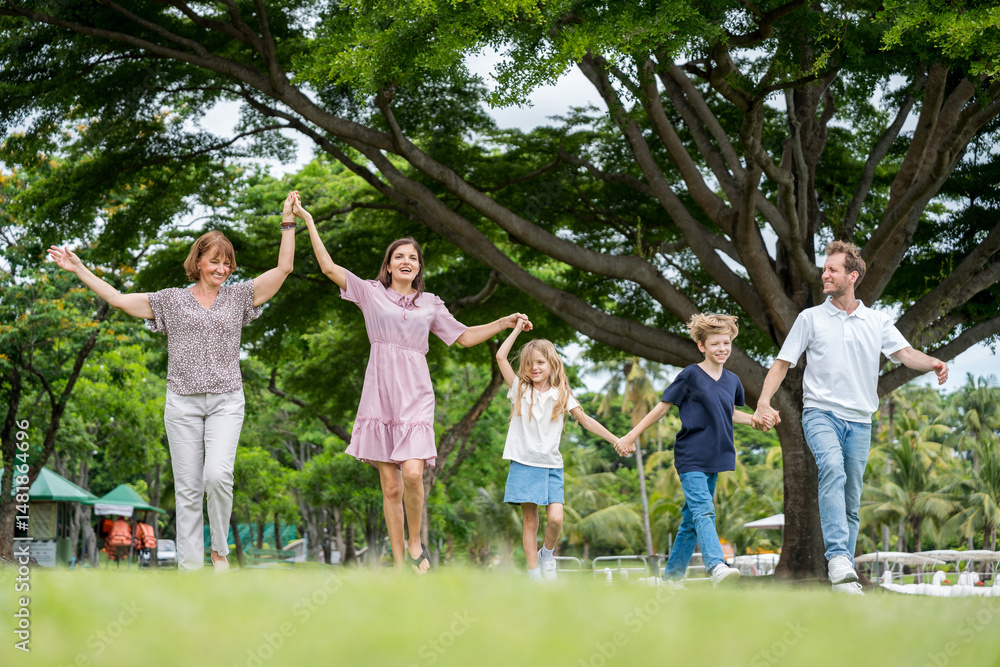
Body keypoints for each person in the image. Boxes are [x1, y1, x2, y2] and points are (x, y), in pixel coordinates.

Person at [48, 192, 299, 571]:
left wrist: (287, 221)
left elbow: (283, 270)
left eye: (227, 263)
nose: (223, 268)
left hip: (226, 401)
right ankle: (190, 570)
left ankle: (220, 552)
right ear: (198, 262)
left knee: (217, 476)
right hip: (182, 403)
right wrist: (80, 268)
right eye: (215, 261)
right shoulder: (170, 301)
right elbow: (117, 299)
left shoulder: (239, 297)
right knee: (187, 490)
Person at [294, 198, 530, 574]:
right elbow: (327, 267)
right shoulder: (371, 292)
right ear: (388, 266)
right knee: (390, 487)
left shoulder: (431, 304)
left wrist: (502, 323)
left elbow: (465, 337)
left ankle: (416, 540)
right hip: (380, 392)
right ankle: (402, 565)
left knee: (413, 473)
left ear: (419, 267)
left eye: (414, 258)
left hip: (417, 394)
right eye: (400, 256)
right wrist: (306, 219)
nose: (407, 261)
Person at [753, 241, 948, 595]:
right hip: (820, 413)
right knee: (832, 468)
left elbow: (905, 354)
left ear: (852, 276)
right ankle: (839, 559)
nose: (824, 275)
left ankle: (844, 578)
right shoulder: (809, 318)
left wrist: (933, 362)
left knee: (852, 498)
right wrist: (763, 401)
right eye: (824, 269)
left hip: (859, 420)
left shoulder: (876, 321)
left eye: (832, 270)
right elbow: (782, 363)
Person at [617, 313, 753, 588]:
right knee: (704, 510)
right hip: (691, 455)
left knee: (692, 519)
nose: (722, 348)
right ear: (702, 346)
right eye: (715, 343)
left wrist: (754, 420)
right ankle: (716, 566)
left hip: (718, 455)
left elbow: (730, 413)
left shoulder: (732, 380)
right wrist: (631, 434)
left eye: (726, 343)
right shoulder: (690, 375)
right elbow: (662, 407)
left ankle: (671, 579)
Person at [495, 320, 619, 582]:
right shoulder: (519, 390)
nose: (534, 368)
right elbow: (501, 356)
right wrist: (516, 329)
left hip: (552, 465)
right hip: (524, 463)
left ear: (552, 364)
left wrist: (615, 439)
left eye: (540, 362)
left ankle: (546, 555)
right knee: (530, 523)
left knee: (556, 519)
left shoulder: (561, 394)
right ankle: (534, 576)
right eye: (529, 364)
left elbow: (586, 421)